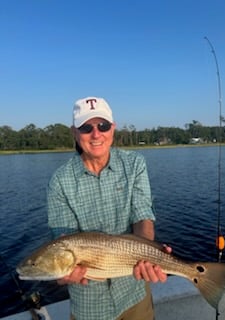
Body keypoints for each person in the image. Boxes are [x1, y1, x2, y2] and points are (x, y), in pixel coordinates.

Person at [47, 97, 170, 320]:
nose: (96, 134)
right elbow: (62, 243)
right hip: (89, 307)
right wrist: (62, 275)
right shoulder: (59, 181)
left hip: (134, 294)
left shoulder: (135, 164)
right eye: (86, 128)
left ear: (113, 128)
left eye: (102, 126)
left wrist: (148, 253)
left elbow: (142, 216)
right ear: (75, 132)